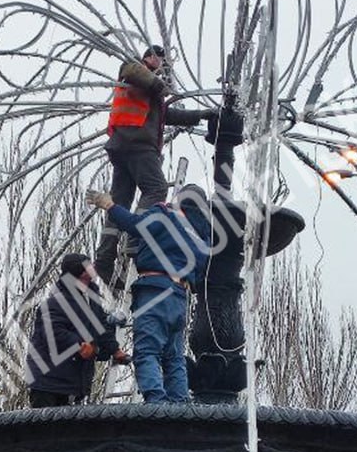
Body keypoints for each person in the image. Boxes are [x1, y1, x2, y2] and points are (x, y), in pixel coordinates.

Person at [95, 44, 216, 286]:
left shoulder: (147, 90)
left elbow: (166, 115)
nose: (163, 68)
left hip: (123, 146)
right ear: (150, 57)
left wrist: (201, 114)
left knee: (118, 203)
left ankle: (105, 257)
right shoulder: (133, 68)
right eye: (161, 61)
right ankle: (136, 238)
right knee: (156, 188)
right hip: (137, 144)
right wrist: (161, 84)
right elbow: (136, 73)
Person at [87, 185, 212, 404]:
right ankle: (179, 404)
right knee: (174, 356)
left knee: (147, 350)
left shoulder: (166, 214)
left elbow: (136, 226)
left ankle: (156, 402)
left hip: (155, 289)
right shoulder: (203, 234)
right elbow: (202, 272)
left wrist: (110, 205)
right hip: (180, 296)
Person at [26, 253, 129, 407]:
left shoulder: (91, 299)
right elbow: (53, 333)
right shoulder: (55, 303)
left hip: (72, 381)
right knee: (44, 429)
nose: (94, 267)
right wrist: (80, 345)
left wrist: (115, 350)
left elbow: (101, 327)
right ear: (80, 273)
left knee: (68, 430)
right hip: (48, 383)